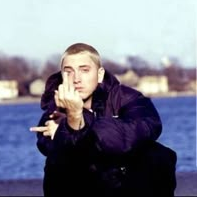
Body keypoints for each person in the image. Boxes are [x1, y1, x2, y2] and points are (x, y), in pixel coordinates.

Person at [30, 43, 177, 197]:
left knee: (156, 154)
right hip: (85, 185)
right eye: (69, 72)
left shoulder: (127, 98)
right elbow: (47, 145)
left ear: (99, 74)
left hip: (127, 184)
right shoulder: (56, 106)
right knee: (59, 158)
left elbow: (140, 131)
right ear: (62, 76)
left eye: (84, 70)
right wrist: (69, 128)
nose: (76, 79)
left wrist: (77, 118)